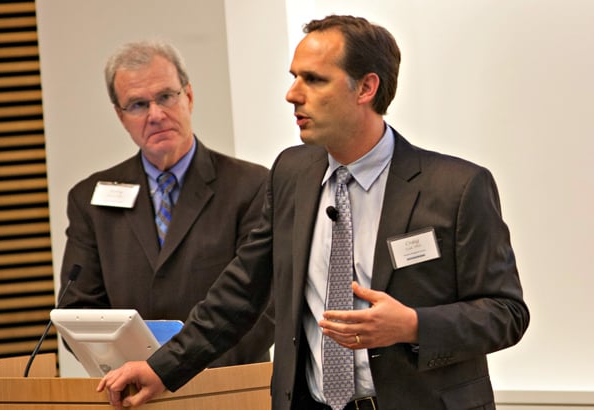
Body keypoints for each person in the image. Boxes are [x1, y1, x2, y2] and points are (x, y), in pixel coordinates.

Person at [98, 15, 529, 409]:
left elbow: (506, 314)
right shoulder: (291, 172)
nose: (292, 94)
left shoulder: (455, 188)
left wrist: (413, 325)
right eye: (293, 77)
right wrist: (162, 368)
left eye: (314, 79)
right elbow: (239, 293)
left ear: (365, 88)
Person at [58, 39, 274, 368]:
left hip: (228, 387)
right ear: (120, 116)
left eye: (165, 97)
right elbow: (79, 312)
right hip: (134, 393)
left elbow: (266, 307)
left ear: (188, 95)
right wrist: (138, 372)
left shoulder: (252, 186)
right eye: (138, 105)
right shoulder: (90, 199)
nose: (156, 115)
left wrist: (171, 371)